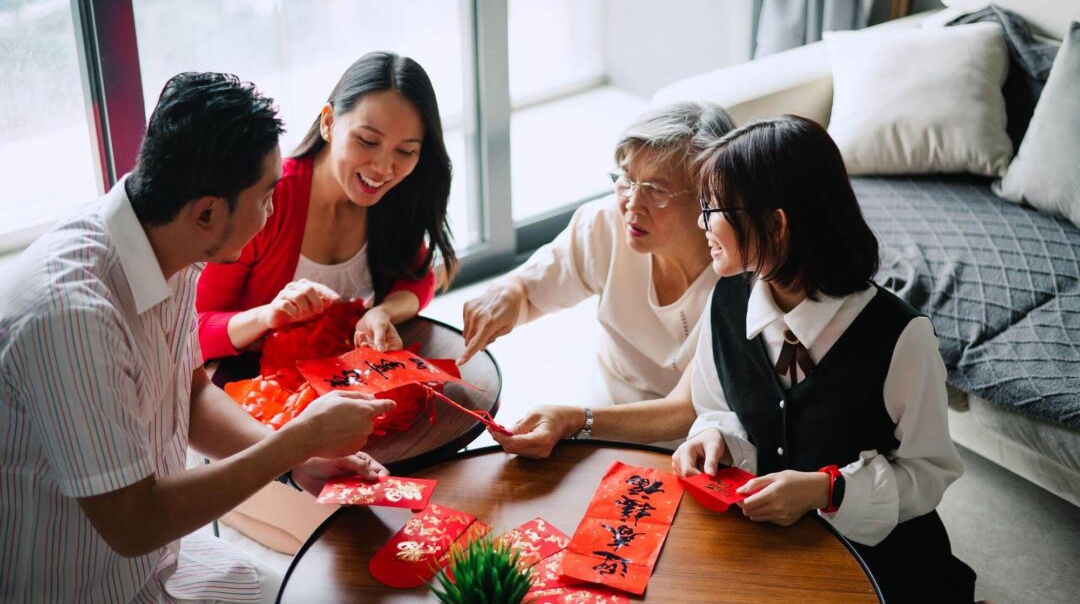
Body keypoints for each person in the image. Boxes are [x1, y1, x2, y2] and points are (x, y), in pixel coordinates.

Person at [0, 72, 395, 602]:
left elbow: (189, 394)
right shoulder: (71, 315)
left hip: (161, 562)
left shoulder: (167, 240)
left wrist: (300, 462)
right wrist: (298, 440)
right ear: (207, 212)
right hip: (79, 586)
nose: (272, 212)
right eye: (266, 196)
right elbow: (134, 523)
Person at [671, 116, 976, 601]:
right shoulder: (725, 300)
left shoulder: (901, 337)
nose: (701, 223)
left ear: (776, 224)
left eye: (713, 208)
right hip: (769, 544)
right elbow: (717, 405)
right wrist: (715, 437)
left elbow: (930, 472)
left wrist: (827, 490)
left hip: (881, 561)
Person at [460, 102, 735, 425]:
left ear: (709, 199)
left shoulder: (738, 272)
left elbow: (684, 410)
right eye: (627, 179)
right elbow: (529, 290)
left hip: (693, 439)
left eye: (656, 191)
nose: (632, 204)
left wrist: (576, 423)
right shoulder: (607, 223)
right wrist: (509, 292)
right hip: (604, 411)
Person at [196, 51, 457, 368]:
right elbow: (194, 328)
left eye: (405, 151)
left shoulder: (393, 196)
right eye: (367, 141)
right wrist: (266, 317)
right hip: (256, 385)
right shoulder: (265, 200)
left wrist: (382, 311)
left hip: (342, 379)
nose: (383, 168)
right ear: (329, 122)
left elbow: (418, 277)